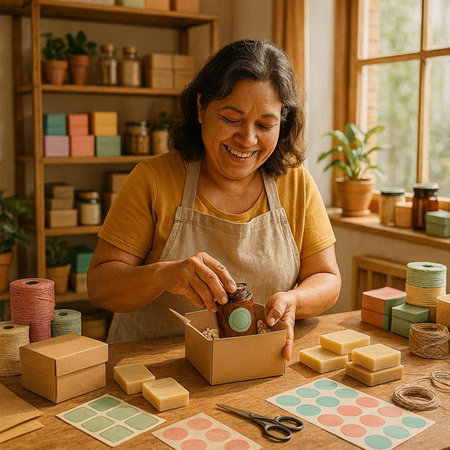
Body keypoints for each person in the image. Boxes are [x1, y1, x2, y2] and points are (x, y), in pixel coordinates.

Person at [88, 39, 341, 360]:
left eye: (265, 124)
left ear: (283, 122)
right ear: (201, 108)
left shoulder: (296, 182)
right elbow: (100, 287)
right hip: (157, 367)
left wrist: (296, 300)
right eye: (232, 119)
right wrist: (163, 275)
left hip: (259, 362)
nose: (247, 139)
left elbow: (328, 278)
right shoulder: (152, 180)